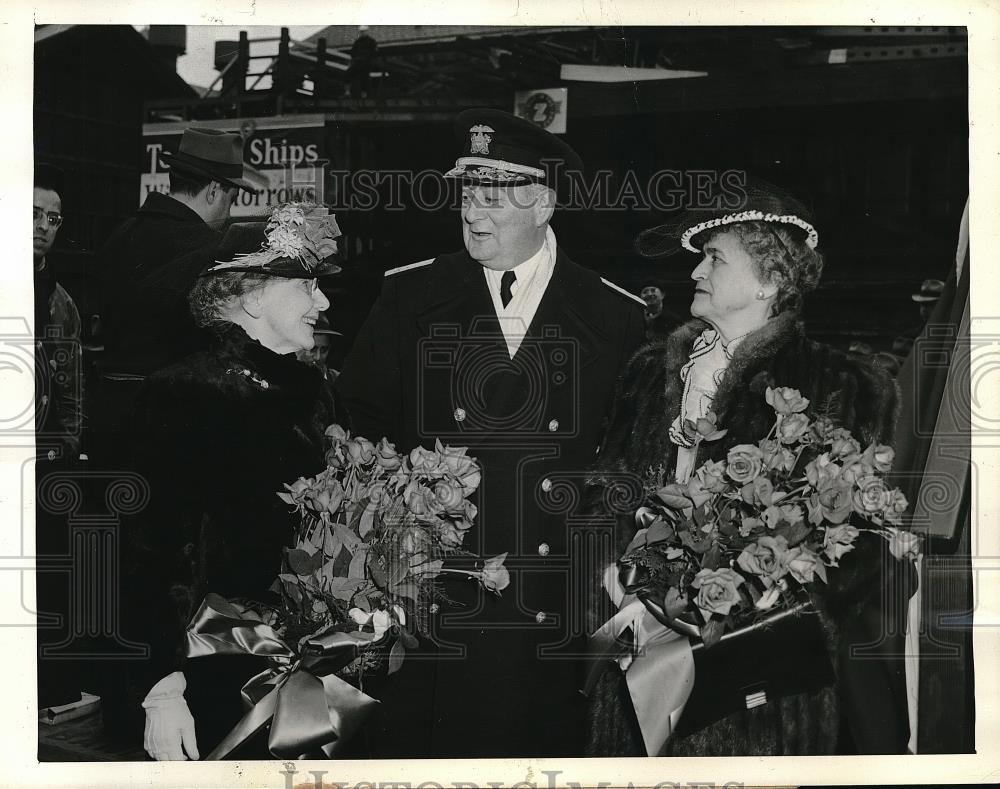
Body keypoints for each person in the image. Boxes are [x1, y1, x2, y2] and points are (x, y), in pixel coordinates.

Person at [336, 108, 645, 758]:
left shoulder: (615, 315)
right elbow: (358, 439)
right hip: (431, 604)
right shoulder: (408, 296)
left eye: (494, 197)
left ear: (545, 202)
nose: (472, 213)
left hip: (549, 609)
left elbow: (626, 469)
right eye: (466, 194)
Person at [584, 180, 914, 756]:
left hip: (761, 678)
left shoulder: (839, 385)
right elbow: (606, 492)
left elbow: (859, 542)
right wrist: (612, 569)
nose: (695, 273)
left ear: (771, 279)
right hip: (633, 645)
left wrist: (760, 591)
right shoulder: (647, 373)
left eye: (714, 258)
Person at [105, 203, 342, 760]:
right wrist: (160, 689)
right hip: (208, 679)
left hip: (306, 671)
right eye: (307, 285)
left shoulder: (316, 394)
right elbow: (144, 553)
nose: (324, 302)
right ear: (254, 295)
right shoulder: (183, 394)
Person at [95, 126, 254, 467]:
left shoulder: (118, 235)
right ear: (214, 190)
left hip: (108, 424)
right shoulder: (211, 250)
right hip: (174, 429)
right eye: (232, 197)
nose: (229, 210)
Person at [33, 163, 83, 462]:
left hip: (44, 457)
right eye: (33, 214)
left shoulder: (62, 304)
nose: (43, 226)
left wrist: (68, 447)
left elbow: (71, 390)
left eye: (52, 219)